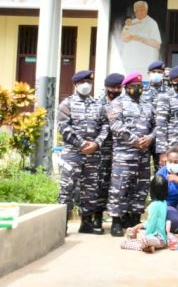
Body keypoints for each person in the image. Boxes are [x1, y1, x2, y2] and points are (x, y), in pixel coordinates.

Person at [57, 70, 108, 234]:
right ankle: (60, 225)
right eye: (83, 82)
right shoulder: (67, 104)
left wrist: (97, 143)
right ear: (76, 84)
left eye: (89, 82)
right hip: (72, 154)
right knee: (67, 189)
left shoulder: (98, 105)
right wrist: (81, 143)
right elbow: (63, 127)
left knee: (90, 189)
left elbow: (105, 126)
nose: (87, 85)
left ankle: (86, 223)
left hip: (93, 154)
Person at [107, 72, 156, 237]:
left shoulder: (148, 105)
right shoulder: (117, 104)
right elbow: (115, 125)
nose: (137, 89)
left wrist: (150, 137)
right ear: (126, 87)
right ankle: (116, 221)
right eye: (134, 87)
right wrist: (134, 140)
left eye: (140, 87)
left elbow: (157, 125)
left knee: (140, 188)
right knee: (119, 188)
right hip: (124, 155)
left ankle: (134, 219)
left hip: (143, 155)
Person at [95, 72, 124, 232]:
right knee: (101, 183)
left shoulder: (126, 103)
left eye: (119, 87)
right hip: (103, 150)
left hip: (122, 150)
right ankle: (97, 218)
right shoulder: (98, 104)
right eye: (112, 87)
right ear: (106, 87)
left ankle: (119, 220)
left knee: (119, 185)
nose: (115, 90)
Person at [120, 175, 169, 253]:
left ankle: (143, 246)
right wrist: (138, 227)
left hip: (158, 238)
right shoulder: (164, 203)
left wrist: (143, 235)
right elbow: (152, 222)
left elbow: (151, 225)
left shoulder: (154, 205)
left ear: (152, 190)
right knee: (132, 230)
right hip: (161, 238)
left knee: (129, 241)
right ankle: (148, 247)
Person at [120, 0, 161, 76]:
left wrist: (139, 38)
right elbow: (124, 39)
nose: (139, 12)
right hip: (131, 65)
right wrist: (127, 27)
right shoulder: (131, 23)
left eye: (142, 10)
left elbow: (157, 44)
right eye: (137, 10)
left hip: (146, 66)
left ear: (146, 10)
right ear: (134, 11)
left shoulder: (152, 23)